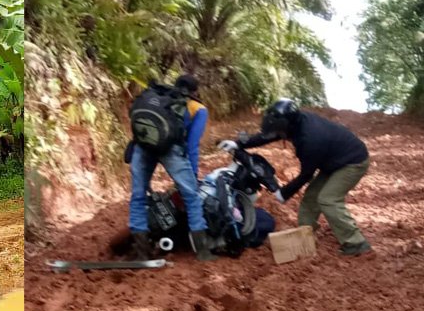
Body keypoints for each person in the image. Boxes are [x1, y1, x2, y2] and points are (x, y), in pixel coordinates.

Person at [220, 99, 372, 256]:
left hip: (352, 162)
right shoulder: (294, 122)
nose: (278, 134)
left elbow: (306, 175)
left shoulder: (310, 139)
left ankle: (356, 242)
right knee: (311, 197)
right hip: (332, 160)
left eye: (279, 130)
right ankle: (305, 234)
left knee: (328, 199)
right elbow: (268, 135)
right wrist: (238, 144)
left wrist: (283, 193)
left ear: (286, 125)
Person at [128, 74, 214, 261]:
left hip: (143, 147)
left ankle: (141, 252)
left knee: (138, 197)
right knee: (192, 197)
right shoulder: (198, 108)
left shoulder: (155, 98)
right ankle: (202, 251)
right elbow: (192, 146)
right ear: (195, 91)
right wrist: (192, 174)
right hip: (171, 150)